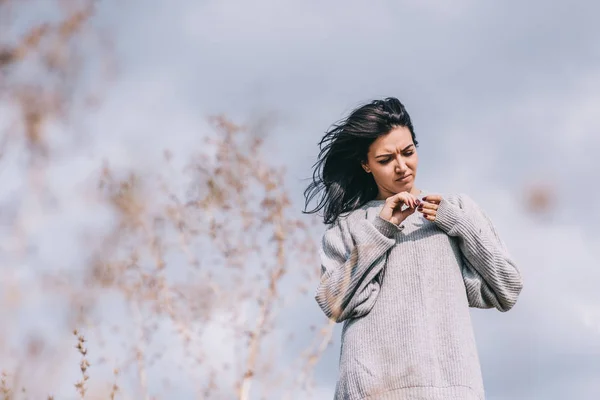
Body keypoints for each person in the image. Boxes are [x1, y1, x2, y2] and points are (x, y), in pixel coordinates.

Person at [303, 97, 523, 400]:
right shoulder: (351, 225)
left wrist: (457, 222)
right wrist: (382, 229)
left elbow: (507, 288)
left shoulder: (455, 210)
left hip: (452, 389)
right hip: (372, 391)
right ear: (365, 164)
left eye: (408, 152)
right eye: (385, 160)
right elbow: (334, 304)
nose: (402, 167)